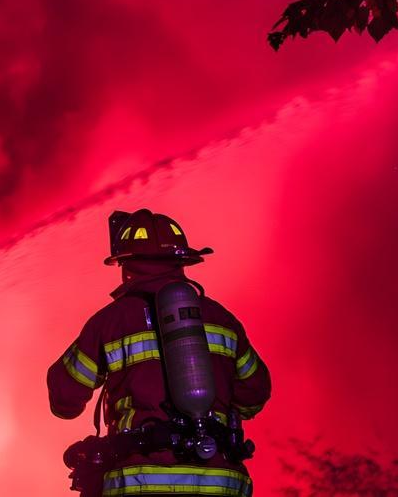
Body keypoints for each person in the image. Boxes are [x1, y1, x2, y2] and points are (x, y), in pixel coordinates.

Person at [48, 208, 272, 497]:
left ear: (125, 266)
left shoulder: (111, 321)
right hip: (220, 481)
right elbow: (255, 394)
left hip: (140, 481)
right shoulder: (223, 320)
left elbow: (65, 398)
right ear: (182, 262)